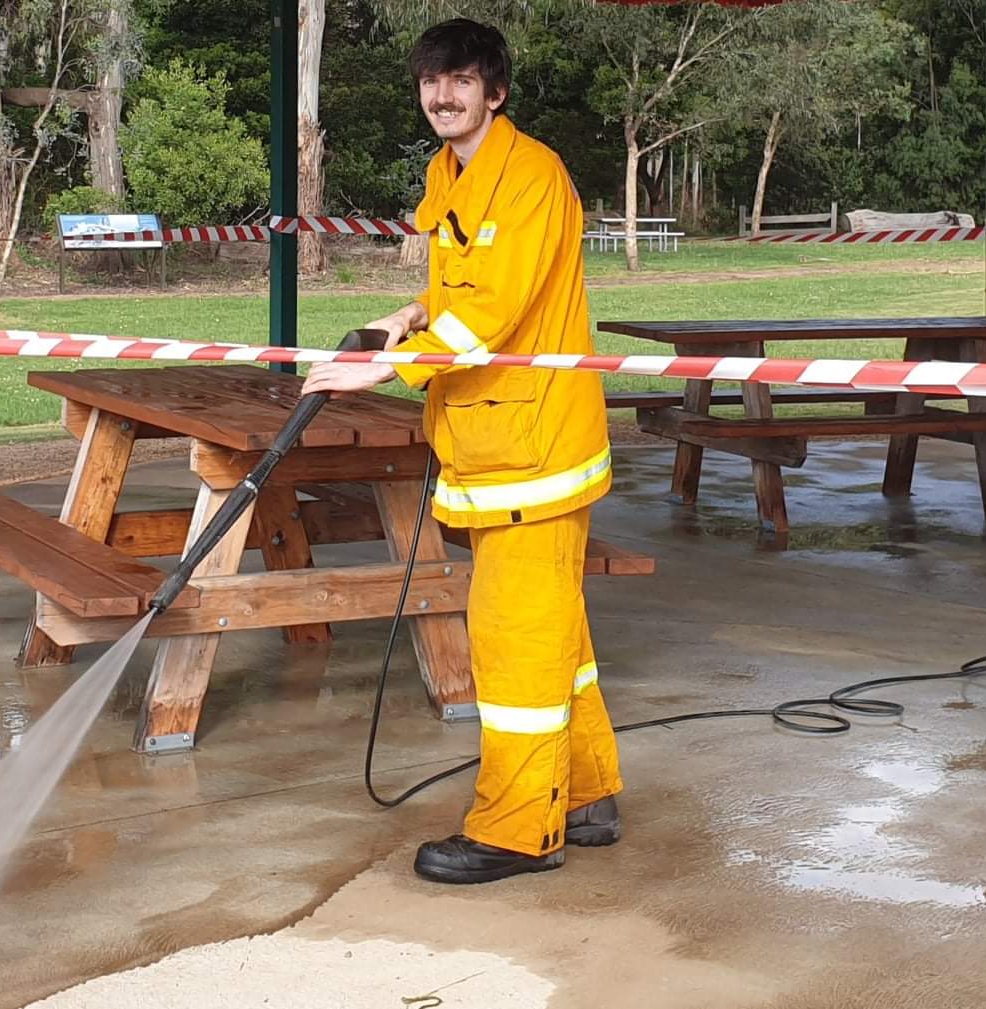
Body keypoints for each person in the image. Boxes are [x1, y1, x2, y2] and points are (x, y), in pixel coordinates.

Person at [302, 16, 623, 885]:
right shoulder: (450, 174)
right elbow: (460, 288)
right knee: (556, 634)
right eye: (431, 82)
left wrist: (389, 366)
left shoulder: (532, 177)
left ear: (496, 91)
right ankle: (586, 790)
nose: (442, 97)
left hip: (534, 453)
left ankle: (519, 829)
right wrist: (408, 314)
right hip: (488, 443)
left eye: (461, 81)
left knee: (514, 641)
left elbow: (494, 311)